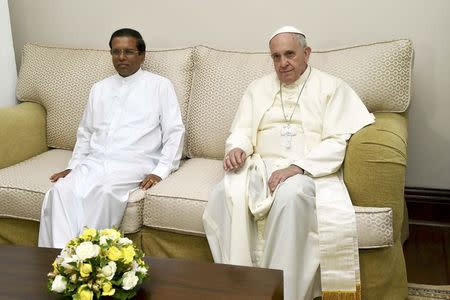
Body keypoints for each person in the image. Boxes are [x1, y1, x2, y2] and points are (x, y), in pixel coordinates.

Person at [202, 26, 374, 300]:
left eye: (290, 54)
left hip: (307, 170)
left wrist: (298, 167)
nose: (283, 63)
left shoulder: (331, 87)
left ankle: (281, 292)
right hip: (260, 165)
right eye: (276, 56)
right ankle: (241, 286)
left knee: (290, 196)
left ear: (306, 53)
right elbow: (242, 130)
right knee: (225, 192)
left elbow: (337, 140)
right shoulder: (257, 88)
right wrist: (238, 148)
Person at [38, 28, 185, 248]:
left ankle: (90, 262)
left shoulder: (160, 86)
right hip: (94, 161)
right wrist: (75, 166)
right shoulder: (99, 88)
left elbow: (175, 131)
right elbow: (85, 132)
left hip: (134, 163)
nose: (121, 57)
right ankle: (59, 264)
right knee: (60, 191)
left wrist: (160, 171)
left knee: (104, 191)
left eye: (128, 51)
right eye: (116, 52)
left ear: (142, 55)